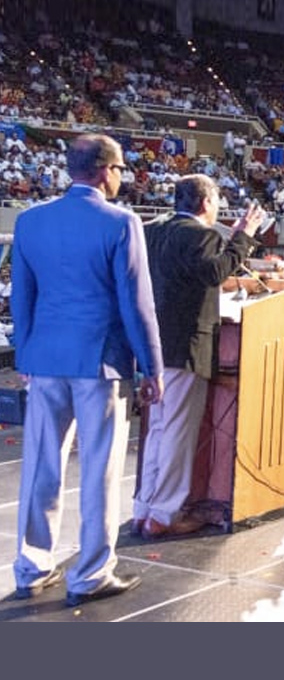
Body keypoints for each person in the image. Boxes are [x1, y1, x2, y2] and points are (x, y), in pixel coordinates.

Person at [11, 134, 163, 606]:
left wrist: (25, 357)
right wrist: (151, 367)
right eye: (120, 170)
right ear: (104, 170)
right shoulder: (121, 222)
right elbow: (136, 303)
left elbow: (22, 297)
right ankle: (91, 573)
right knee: (99, 468)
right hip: (101, 362)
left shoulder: (31, 221)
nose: (121, 179)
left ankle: (31, 567)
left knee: (40, 463)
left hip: (45, 359)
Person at [134, 174, 264, 539]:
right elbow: (215, 272)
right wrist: (243, 236)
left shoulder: (151, 230)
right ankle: (163, 515)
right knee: (176, 432)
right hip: (185, 347)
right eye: (217, 201)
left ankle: (145, 506)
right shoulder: (200, 235)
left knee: (158, 430)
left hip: (152, 346)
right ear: (206, 203)